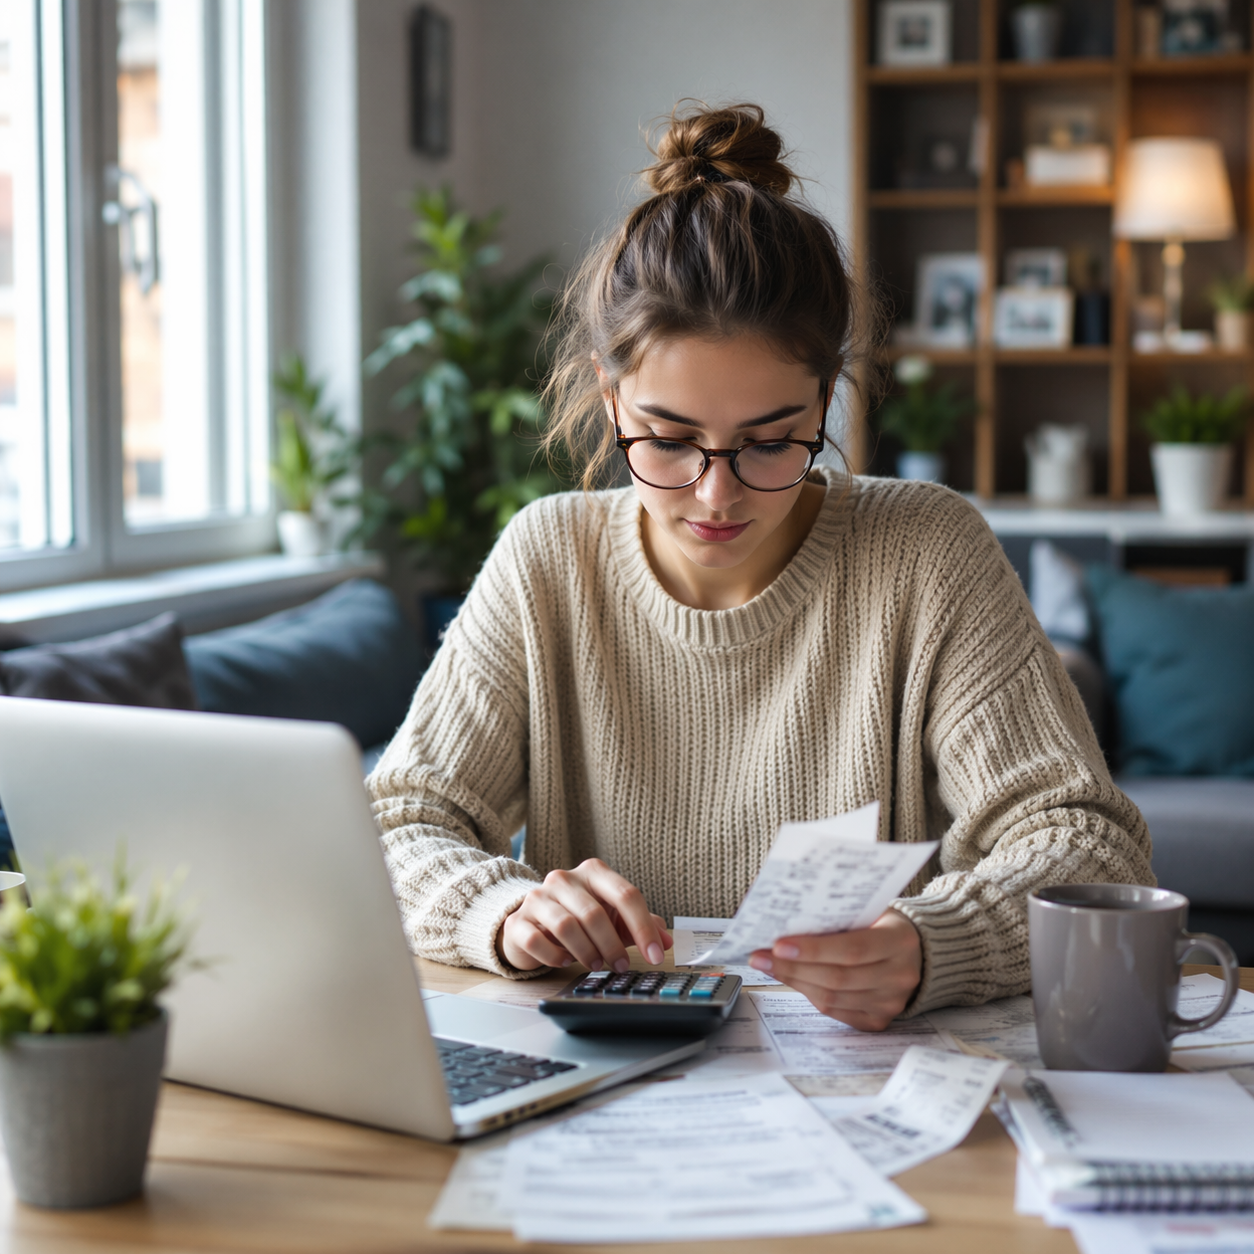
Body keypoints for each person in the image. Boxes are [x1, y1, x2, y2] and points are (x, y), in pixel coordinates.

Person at [368, 103, 1151, 1031]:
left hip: (864, 1077)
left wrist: (936, 943)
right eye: (667, 441)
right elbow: (399, 823)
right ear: (609, 394)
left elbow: (1090, 847)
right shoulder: (547, 559)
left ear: (827, 395)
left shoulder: (927, 554)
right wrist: (501, 909)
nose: (715, 496)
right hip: (609, 1086)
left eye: (773, 442)